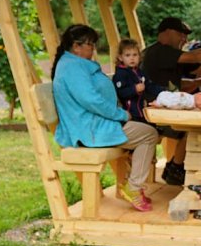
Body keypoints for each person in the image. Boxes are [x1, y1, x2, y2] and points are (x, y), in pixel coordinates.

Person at [52, 25, 159, 212]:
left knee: (147, 131)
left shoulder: (73, 63)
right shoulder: (72, 67)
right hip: (89, 130)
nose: (93, 48)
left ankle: (132, 185)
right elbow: (91, 100)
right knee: (149, 134)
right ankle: (133, 188)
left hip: (93, 125)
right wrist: (120, 114)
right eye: (90, 44)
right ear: (76, 46)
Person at [141, 17, 201, 184]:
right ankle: (179, 173)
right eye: (181, 34)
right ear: (166, 33)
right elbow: (195, 57)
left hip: (167, 109)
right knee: (199, 129)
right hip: (149, 113)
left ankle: (179, 171)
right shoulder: (159, 51)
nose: (184, 39)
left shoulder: (174, 55)